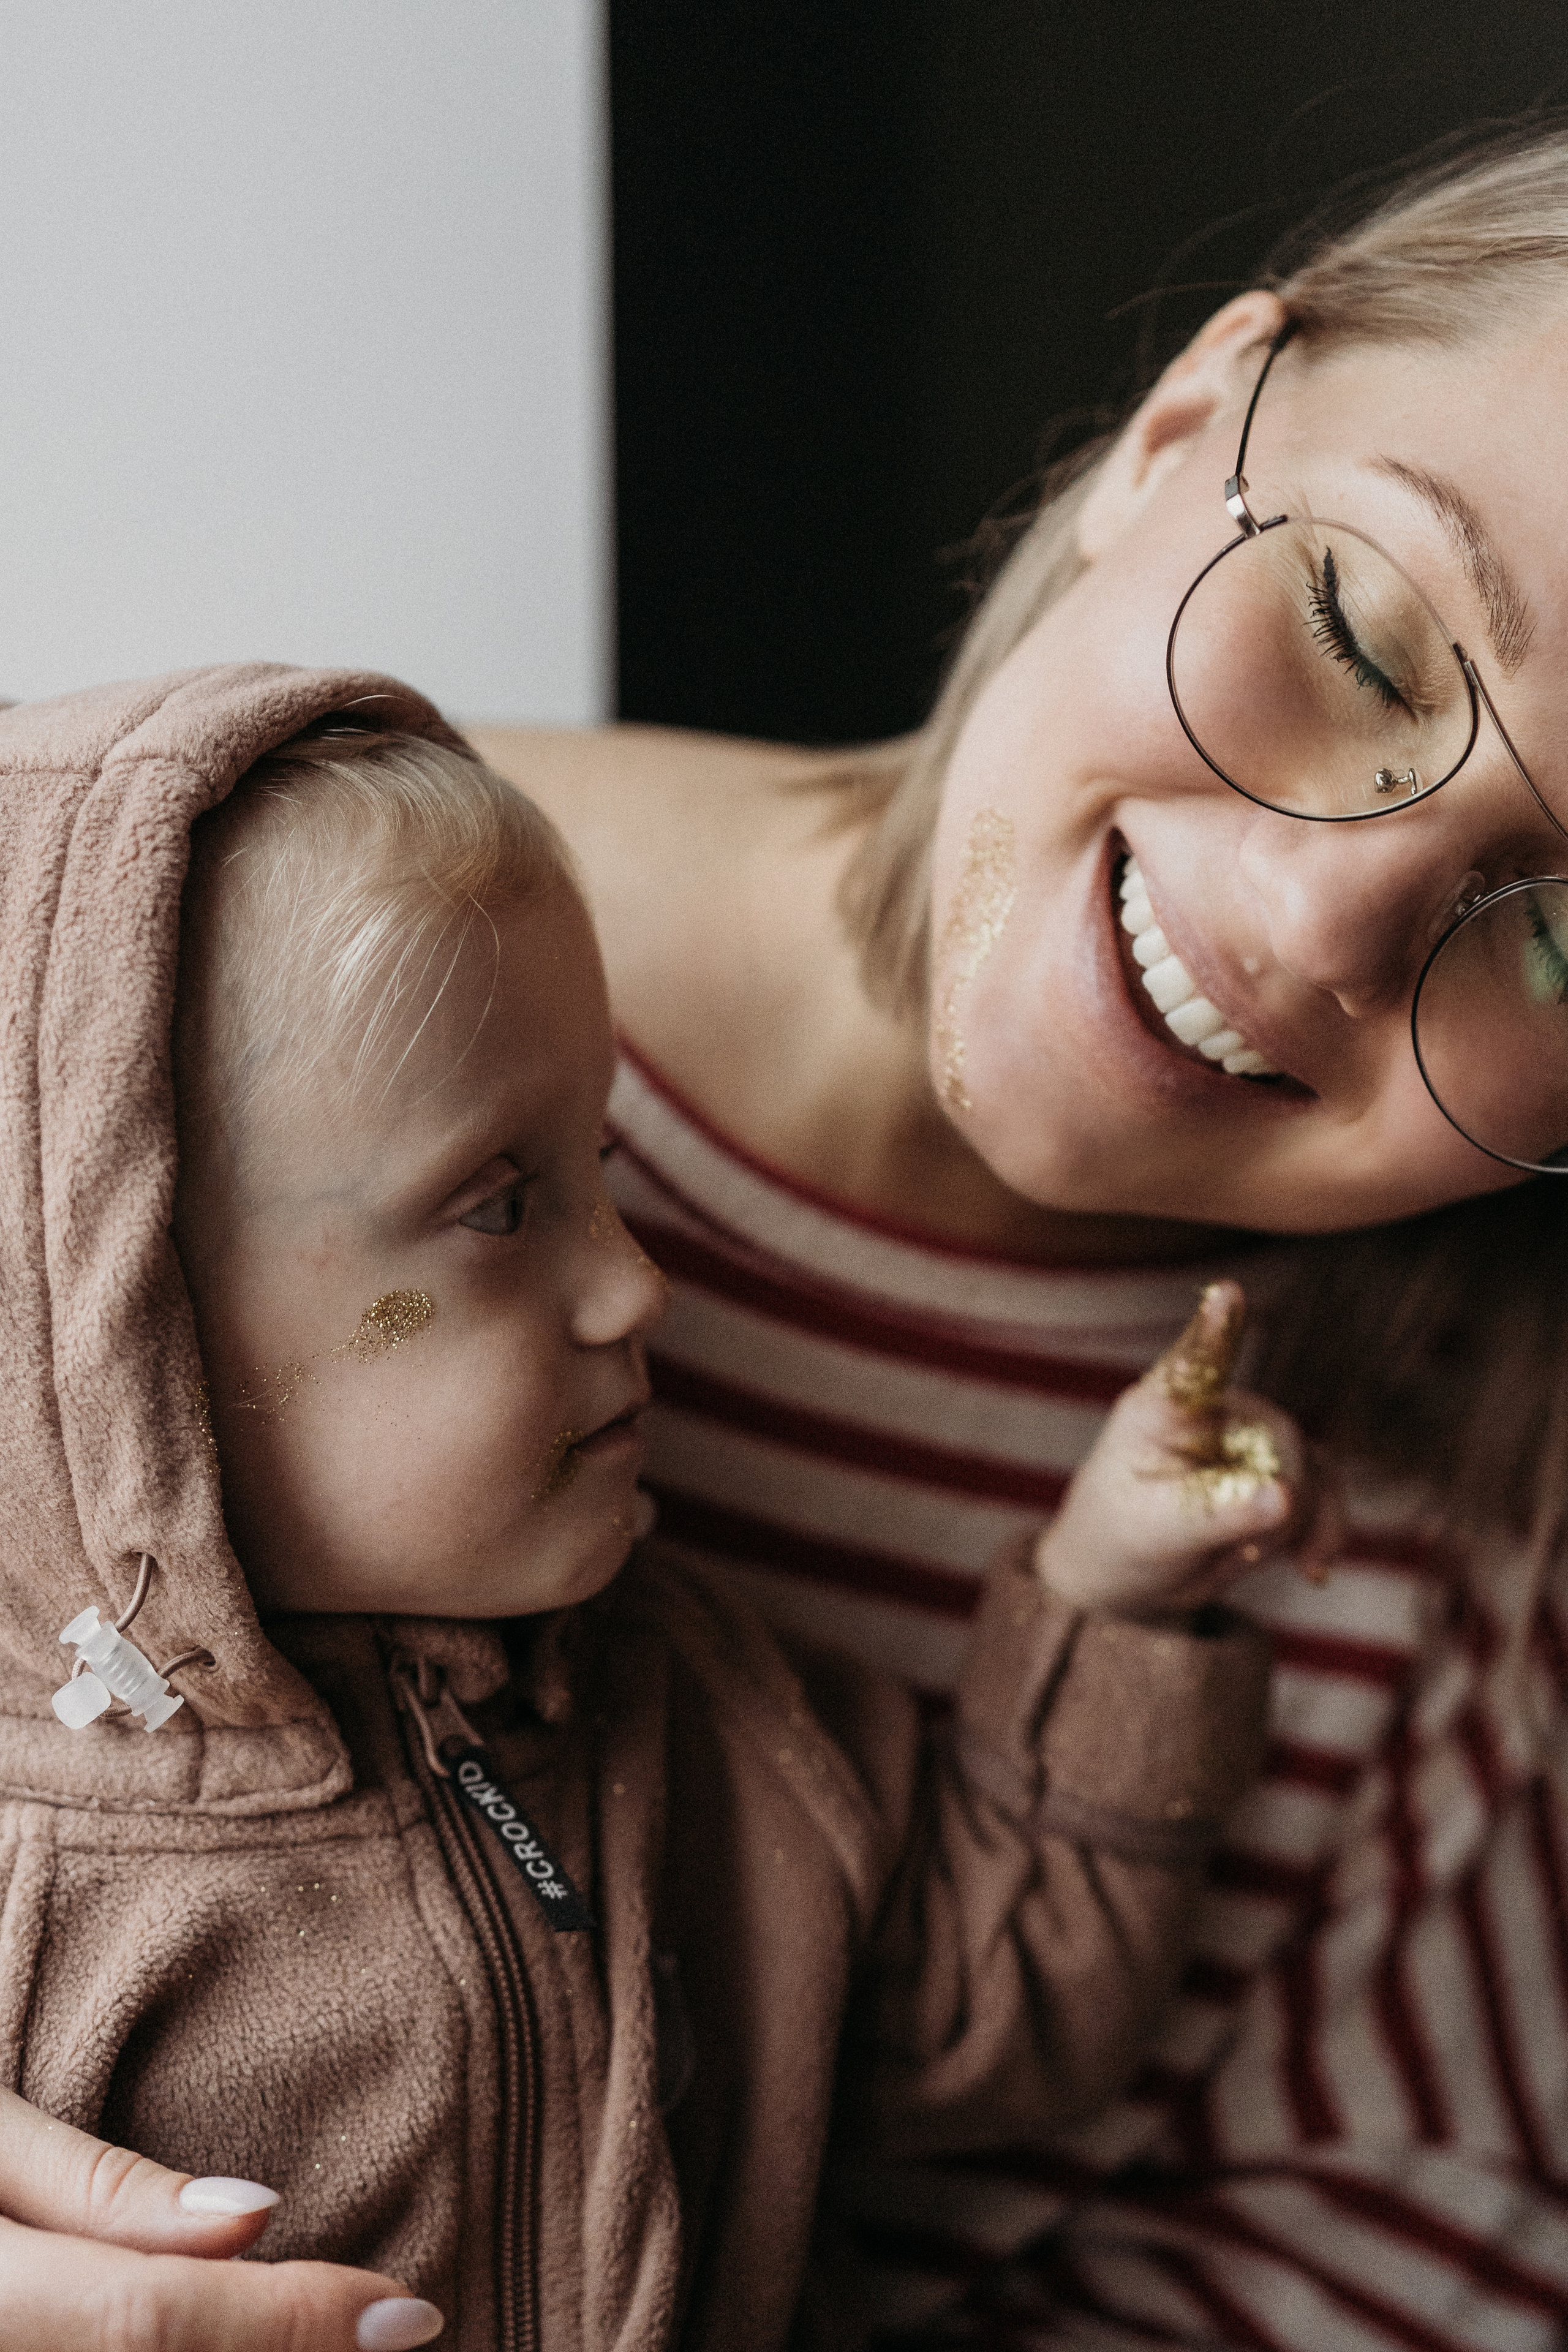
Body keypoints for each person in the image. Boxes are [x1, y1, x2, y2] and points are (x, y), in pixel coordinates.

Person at [465, 119, 1568, 2346]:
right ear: (1175, 429)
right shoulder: (131, 974)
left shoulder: (1454, 1601)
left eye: (1566, 944)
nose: (1319, 909)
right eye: (1359, 628)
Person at [0, 666, 1280, 2350]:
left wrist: (1111, 1605)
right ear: (115, 1307)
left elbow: (994, 2012)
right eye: (501, 1204)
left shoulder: (693, 1715)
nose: (635, 1283)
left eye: (601, 1169)